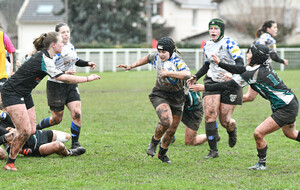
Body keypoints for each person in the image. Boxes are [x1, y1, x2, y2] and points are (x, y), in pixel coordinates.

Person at [0, 31, 100, 171]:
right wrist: (87, 79)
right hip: (12, 93)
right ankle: (10, 163)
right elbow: (61, 77)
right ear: (53, 45)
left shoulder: (47, 58)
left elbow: (57, 73)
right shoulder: (44, 59)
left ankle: (4, 139)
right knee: (24, 131)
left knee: (32, 130)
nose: (63, 44)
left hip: (25, 93)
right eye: (60, 42)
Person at [190, 44, 299, 170]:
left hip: (285, 107)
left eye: (250, 53)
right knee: (291, 134)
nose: (247, 54)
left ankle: (261, 164)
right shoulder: (261, 65)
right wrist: (220, 63)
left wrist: (204, 87)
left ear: (256, 56)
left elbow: (230, 85)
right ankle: (261, 163)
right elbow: (240, 68)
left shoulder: (254, 73)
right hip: (289, 102)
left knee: (258, 133)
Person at [117, 37, 191, 163]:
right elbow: (147, 58)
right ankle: (153, 143)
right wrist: (131, 66)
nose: (161, 55)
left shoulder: (177, 61)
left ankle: (162, 154)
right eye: (159, 51)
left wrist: (168, 74)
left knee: (172, 130)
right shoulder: (156, 56)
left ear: (171, 51)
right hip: (160, 94)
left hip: (178, 97)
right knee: (166, 120)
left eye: (164, 52)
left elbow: (187, 74)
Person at [187, 18, 244, 159]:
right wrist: (196, 76)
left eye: (216, 28)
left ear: (221, 30)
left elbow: (241, 66)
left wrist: (230, 73)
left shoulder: (230, 43)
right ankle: (213, 151)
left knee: (225, 120)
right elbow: (207, 65)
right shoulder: (207, 45)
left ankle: (231, 129)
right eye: (211, 28)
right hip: (212, 81)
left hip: (230, 83)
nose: (213, 31)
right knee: (210, 115)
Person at [36, 23, 96, 152]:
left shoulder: (70, 47)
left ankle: (75, 143)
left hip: (71, 84)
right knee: (56, 119)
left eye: (68, 31)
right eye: (63, 32)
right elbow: (49, 68)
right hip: (55, 86)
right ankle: (35, 129)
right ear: (57, 34)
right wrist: (63, 74)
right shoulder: (52, 49)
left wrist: (87, 63)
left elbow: (75, 60)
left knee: (77, 113)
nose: (66, 34)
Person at [243, 20, 289, 102]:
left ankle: (225, 101)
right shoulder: (270, 39)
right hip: (260, 70)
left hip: (254, 68)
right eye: (274, 27)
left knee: (250, 97)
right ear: (268, 29)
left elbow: (249, 51)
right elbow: (273, 56)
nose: (276, 29)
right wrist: (283, 61)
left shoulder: (260, 37)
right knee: (275, 93)